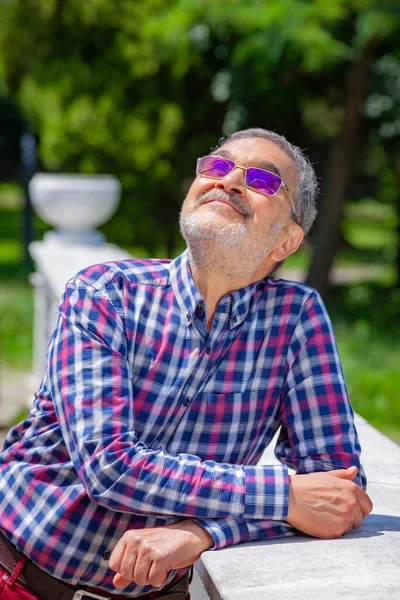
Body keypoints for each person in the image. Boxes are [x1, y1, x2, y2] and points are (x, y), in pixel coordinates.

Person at [0, 128, 372, 600]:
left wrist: (203, 533)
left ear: (286, 242)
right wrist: (283, 496)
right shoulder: (105, 294)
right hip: (16, 578)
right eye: (216, 167)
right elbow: (109, 466)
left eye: (261, 180)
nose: (230, 181)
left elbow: (339, 493)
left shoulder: (296, 318)